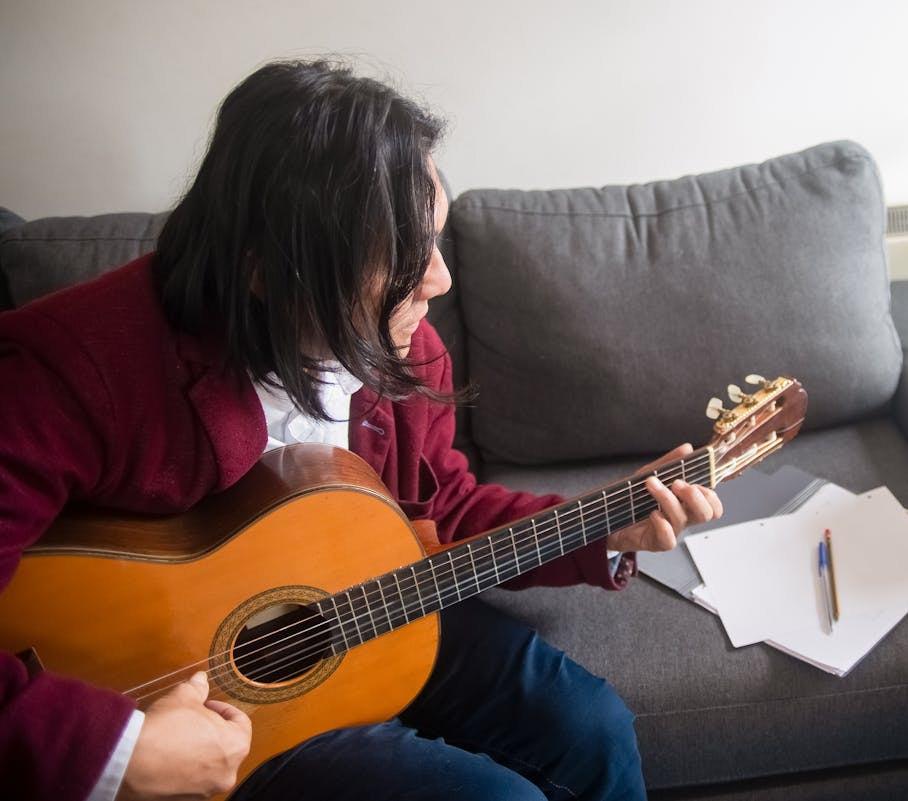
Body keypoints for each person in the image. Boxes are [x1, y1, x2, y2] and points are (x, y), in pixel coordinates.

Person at [0, 59, 722, 801]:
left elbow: (443, 515)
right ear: (269, 273)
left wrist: (605, 527)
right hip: (213, 719)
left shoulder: (407, 352)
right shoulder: (71, 367)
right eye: (407, 258)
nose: (440, 280)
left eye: (435, 242)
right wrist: (123, 752)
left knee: (594, 729)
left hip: (371, 612)